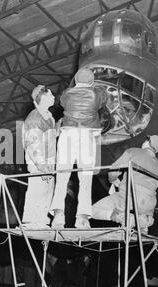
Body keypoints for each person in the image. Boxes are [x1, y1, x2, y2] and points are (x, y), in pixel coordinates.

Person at [50, 68, 108, 229]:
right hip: (87, 137)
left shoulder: (66, 94)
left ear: (75, 80)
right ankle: (82, 218)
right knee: (85, 179)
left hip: (67, 136)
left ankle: (57, 216)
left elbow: (62, 103)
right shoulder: (97, 94)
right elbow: (104, 97)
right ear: (91, 82)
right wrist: (95, 85)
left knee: (61, 178)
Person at [91, 135, 158, 233]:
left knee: (93, 210)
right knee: (142, 210)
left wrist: (113, 180)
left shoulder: (133, 151)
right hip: (149, 202)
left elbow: (113, 171)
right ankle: (145, 221)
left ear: (148, 142)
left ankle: (123, 218)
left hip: (130, 195)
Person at [21, 85, 57, 229]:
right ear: (42, 98)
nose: (54, 97)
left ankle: (40, 220)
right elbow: (33, 144)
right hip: (39, 163)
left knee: (46, 191)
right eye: (51, 95)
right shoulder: (35, 118)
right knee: (37, 189)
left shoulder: (49, 117)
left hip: (49, 161)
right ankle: (31, 221)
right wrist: (41, 165)